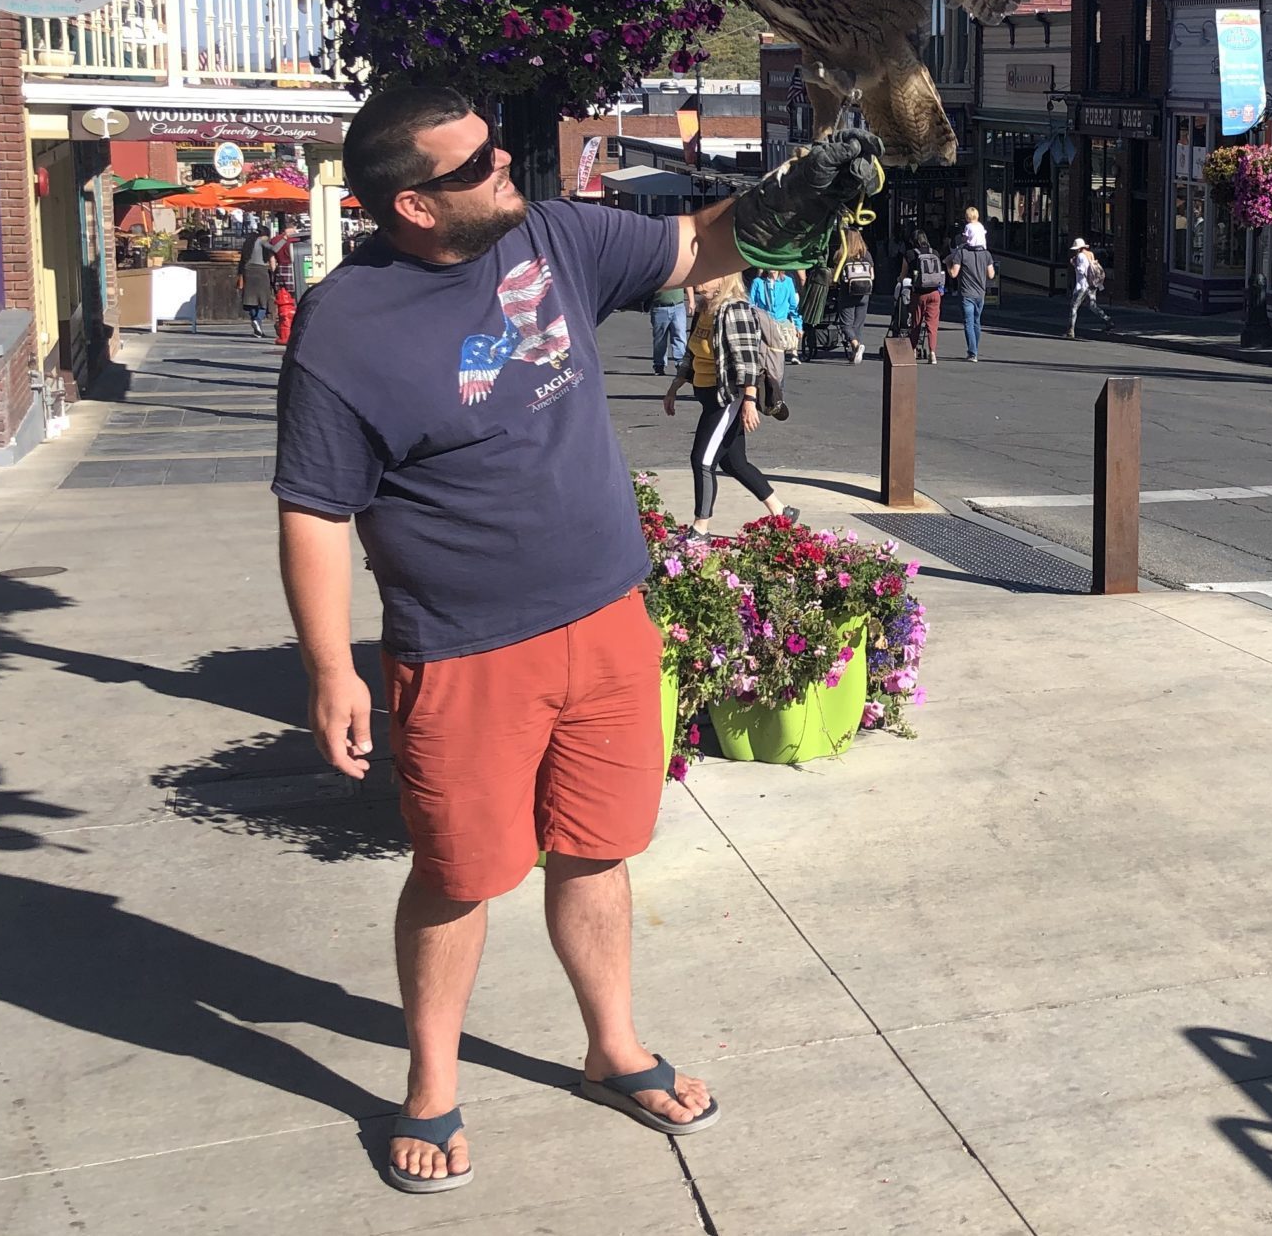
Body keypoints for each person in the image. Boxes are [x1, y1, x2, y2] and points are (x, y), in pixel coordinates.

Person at [273, 85, 878, 1193]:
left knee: (597, 847)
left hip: (607, 618)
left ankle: (612, 1045)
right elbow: (315, 506)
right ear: (411, 205)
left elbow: (697, 242)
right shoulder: (343, 326)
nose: (505, 162)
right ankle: (430, 1084)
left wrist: (800, 190)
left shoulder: (550, 237)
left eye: (496, 147)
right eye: (475, 164)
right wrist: (328, 667)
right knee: (459, 875)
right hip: (461, 648)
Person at [663, 273, 796, 532]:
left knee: (702, 460)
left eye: (706, 274)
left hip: (725, 397)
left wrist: (749, 400)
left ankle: (700, 528)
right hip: (707, 394)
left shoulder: (734, 310)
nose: (698, 281)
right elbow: (693, 353)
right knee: (734, 462)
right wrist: (675, 386)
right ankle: (781, 511)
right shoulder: (704, 308)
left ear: (723, 279)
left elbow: (747, 362)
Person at [902, 228, 944, 365]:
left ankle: (913, 350)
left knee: (916, 323)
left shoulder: (910, 254)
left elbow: (903, 274)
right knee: (932, 324)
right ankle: (932, 353)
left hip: (919, 293)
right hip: (935, 293)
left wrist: (899, 280)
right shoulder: (935, 253)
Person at [953, 229, 995, 362]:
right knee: (977, 321)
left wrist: (948, 263)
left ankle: (973, 352)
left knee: (968, 322)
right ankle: (974, 349)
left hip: (966, 292)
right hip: (980, 293)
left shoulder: (961, 253)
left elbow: (954, 273)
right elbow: (991, 275)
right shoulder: (986, 254)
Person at [748, 266, 803, 365]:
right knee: (764, 359)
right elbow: (751, 304)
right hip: (764, 325)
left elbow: (793, 307)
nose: (771, 266)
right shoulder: (758, 282)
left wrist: (799, 326)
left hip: (781, 324)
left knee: (777, 361)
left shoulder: (788, 281)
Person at [836, 234, 874, 363]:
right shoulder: (866, 254)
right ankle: (855, 353)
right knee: (858, 325)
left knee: (846, 324)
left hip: (848, 292)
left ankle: (856, 346)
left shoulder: (843, 255)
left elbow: (837, 276)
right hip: (864, 293)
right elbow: (872, 275)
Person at [239, 219, 279, 338]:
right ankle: (257, 319)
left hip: (247, 270)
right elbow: (275, 249)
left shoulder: (249, 242)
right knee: (264, 299)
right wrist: (284, 240)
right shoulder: (262, 241)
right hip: (260, 271)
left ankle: (258, 329)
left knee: (251, 299)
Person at [1066, 236, 1111, 337]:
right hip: (1091, 285)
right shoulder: (1090, 254)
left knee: (1074, 307)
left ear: (1078, 248)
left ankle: (1070, 330)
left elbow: (1081, 271)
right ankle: (1107, 320)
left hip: (1081, 285)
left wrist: (1074, 264)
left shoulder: (1080, 256)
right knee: (1092, 305)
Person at [647, 284, 688, 377]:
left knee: (680, 336)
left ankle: (680, 365)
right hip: (659, 307)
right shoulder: (658, 271)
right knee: (660, 340)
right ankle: (659, 365)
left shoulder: (679, 271)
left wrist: (692, 301)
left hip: (678, 306)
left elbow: (688, 283)